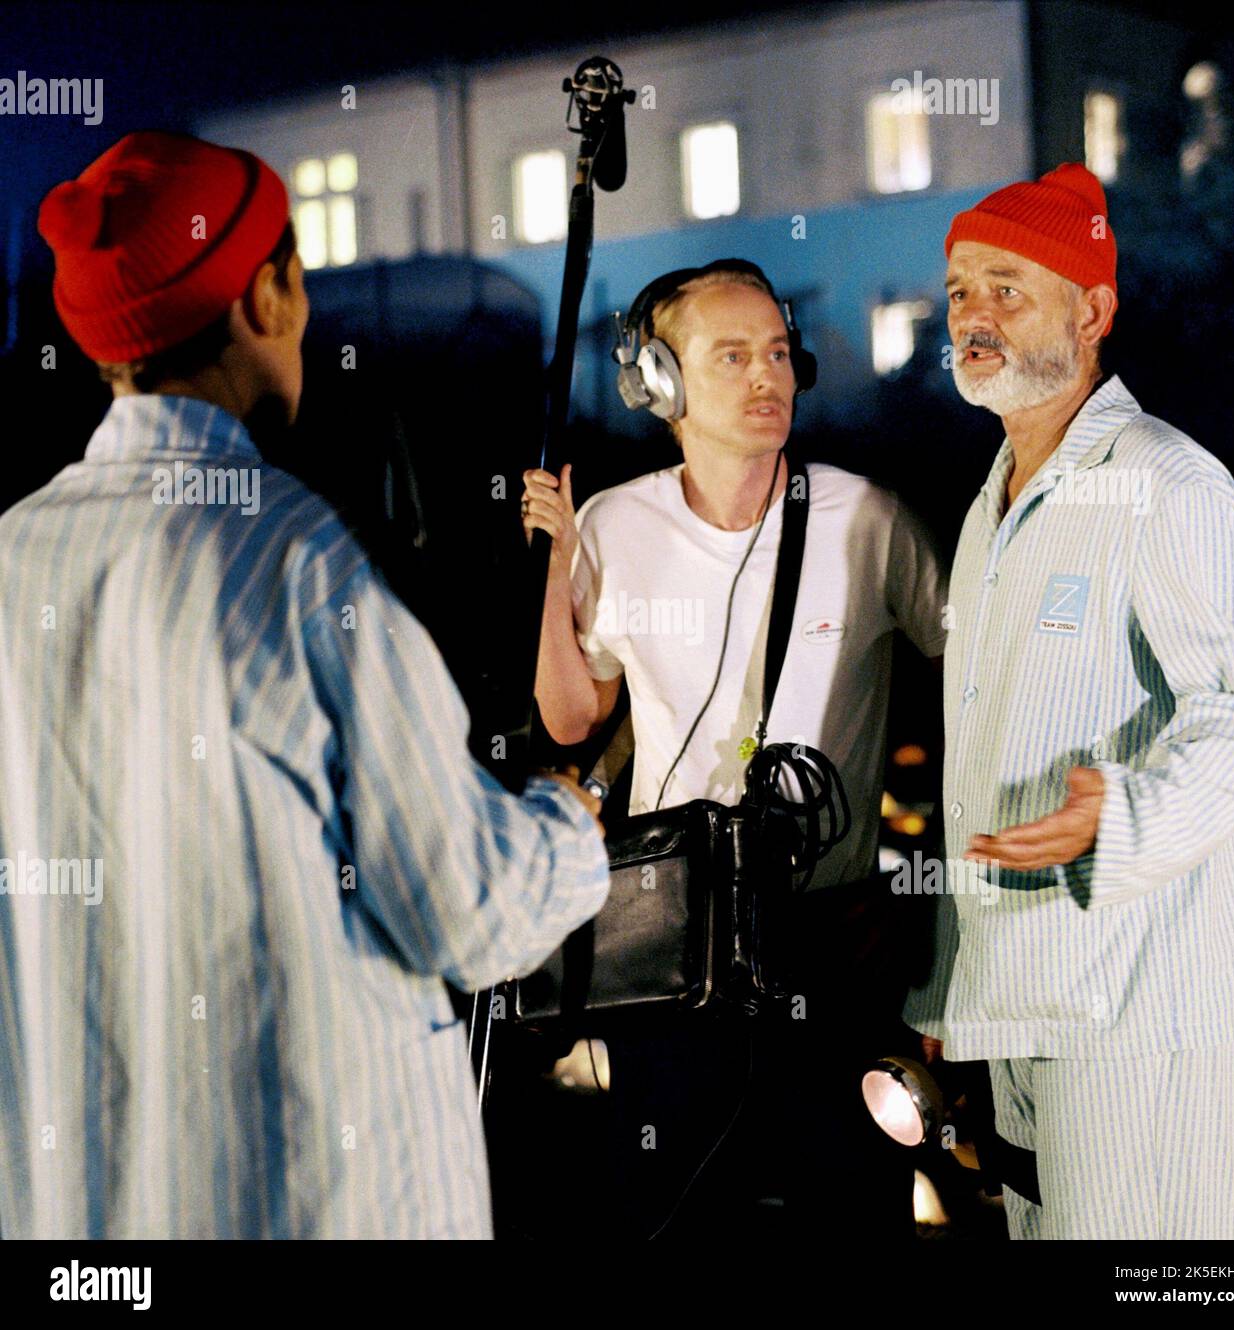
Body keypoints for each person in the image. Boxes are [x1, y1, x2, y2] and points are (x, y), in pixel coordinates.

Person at [0, 131, 609, 1240]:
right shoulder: (287, 562)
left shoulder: (12, 557)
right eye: (299, 272)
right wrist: (568, 825)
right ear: (266, 294)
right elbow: (463, 906)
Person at [903, 162, 1234, 1239]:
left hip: (1142, 1003)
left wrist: (1113, 820)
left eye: (1005, 288)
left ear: (1093, 308)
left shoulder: (1169, 481)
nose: (972, 315)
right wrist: (953, 989)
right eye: (958, 292)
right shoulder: (992, 504)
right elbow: (980, 761)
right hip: (1024, 1002)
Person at [521, 259, 948, 1237]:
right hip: (673, 937)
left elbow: (968, 665)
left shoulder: (867, 517)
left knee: (851, 1205)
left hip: (829, 932)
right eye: (731, 356)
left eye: (776, 353)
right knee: (675, 1208)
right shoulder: (614, 525)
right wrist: (553, 574)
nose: (768, 376)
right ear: (660, 383)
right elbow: (572, 719)